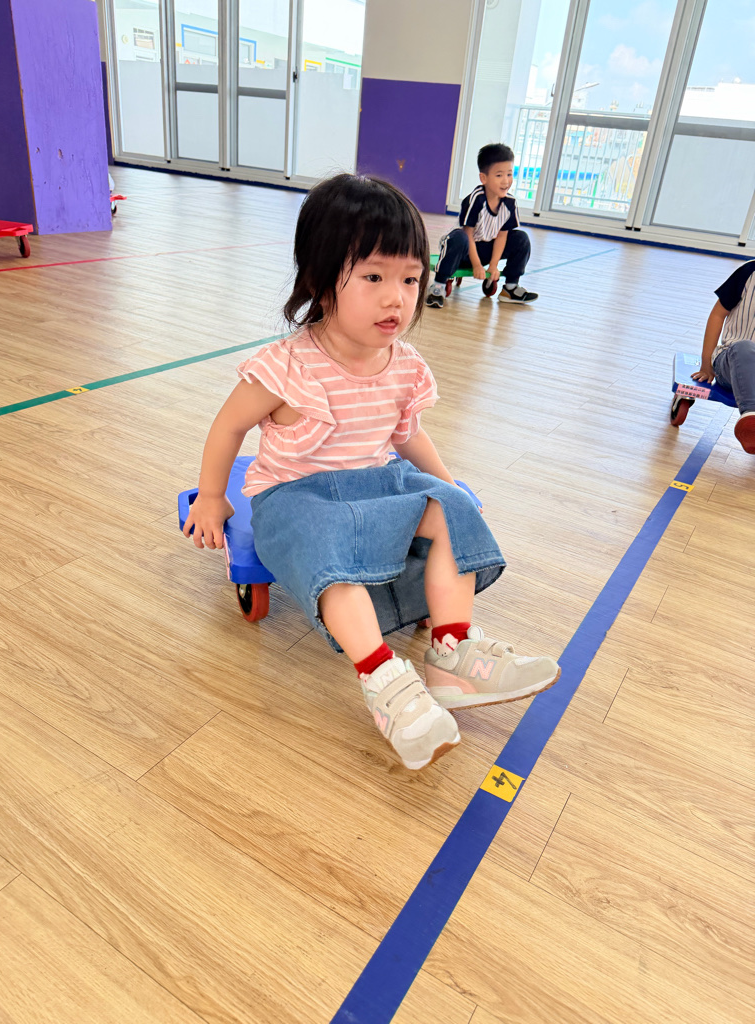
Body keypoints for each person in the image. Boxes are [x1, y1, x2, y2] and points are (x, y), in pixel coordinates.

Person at [183, 174, 560, 770]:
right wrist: (211, 496)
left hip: (375, 484)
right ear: (320, 280)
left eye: (410, 279)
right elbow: (228, 427)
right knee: (329, 548)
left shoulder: (403, 363)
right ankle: (384, 681)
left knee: (453, 509)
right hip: (296, 498)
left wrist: (448, 485)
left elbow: (406, 434)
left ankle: (453, 654)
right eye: (374, 278)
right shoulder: (287, 366)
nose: (397, 299)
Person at [426, 143, 537, 309]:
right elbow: (468, 234)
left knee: (521, 238)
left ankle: (511, 288)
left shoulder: (510, 203)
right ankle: (438, 286)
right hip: (463, 250)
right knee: (459, 236)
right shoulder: (476, 200)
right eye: (499, 175)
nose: (506, 181)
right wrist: (477, 265)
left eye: (509, 174)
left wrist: (493, 265)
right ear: (484, 178)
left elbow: (502, 236)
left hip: (486, 249)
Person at [691, 259, 755, 454]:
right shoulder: (748, 272)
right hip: (731, 360)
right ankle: (751, 419)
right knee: (744, 347)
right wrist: (706, 364)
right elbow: (718, 315)